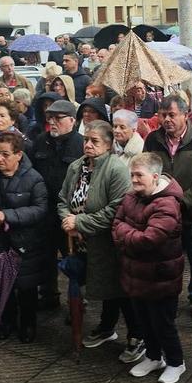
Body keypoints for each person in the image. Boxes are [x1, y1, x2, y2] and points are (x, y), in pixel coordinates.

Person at [59, 121, 139, 359]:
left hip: (108, 242)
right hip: (81, 242)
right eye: (86, 140)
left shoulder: (115, 169)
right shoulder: (76, 167)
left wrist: (80, 223)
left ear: (108, 144)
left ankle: (136, 335)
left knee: (118, 288)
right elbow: (63, 198)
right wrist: (68, 221)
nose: (89, 145)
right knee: (101, 286)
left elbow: (116, 209)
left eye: (95, 141)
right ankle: (106, 327)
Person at [145, 94, 192, 323]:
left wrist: (182, 201)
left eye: (172, 115)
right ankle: (168, 299)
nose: (167, 119)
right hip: (163, 215)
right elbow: (147, 170)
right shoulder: (153, 140)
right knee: (167, 260)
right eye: (163, 115)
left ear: (185, 116)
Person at [115, 152, 187, 383]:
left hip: (160, 278)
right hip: (136, 274)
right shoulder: (131, 196)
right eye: (132, 175)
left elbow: (149, 240)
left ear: (155, 177)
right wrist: (129, 233)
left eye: (139, 175)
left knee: (163, 323)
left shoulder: (168, 204)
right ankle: (154, 357)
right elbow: (115, 223)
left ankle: (176, 362)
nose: (134, 180)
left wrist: (125, 234)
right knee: (143, 320)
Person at [0, 131, 48, 341]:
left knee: (26, 287)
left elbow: (40, 209)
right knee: (1, 284)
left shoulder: (34, 179)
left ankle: (28, 324)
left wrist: (8, 215)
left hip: (24, 243)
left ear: (19, 155)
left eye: (5, 154)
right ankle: (6, 321)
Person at [29, 99, 83, 310]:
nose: (52, 122)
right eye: (50, 118)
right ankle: (49, 294)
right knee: (45, 256)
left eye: (58, 118)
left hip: (69, 213)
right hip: (44, 211)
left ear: (71, 120)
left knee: (74, 260)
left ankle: (76, 303)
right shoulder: (41, 141)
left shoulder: (80, 144)